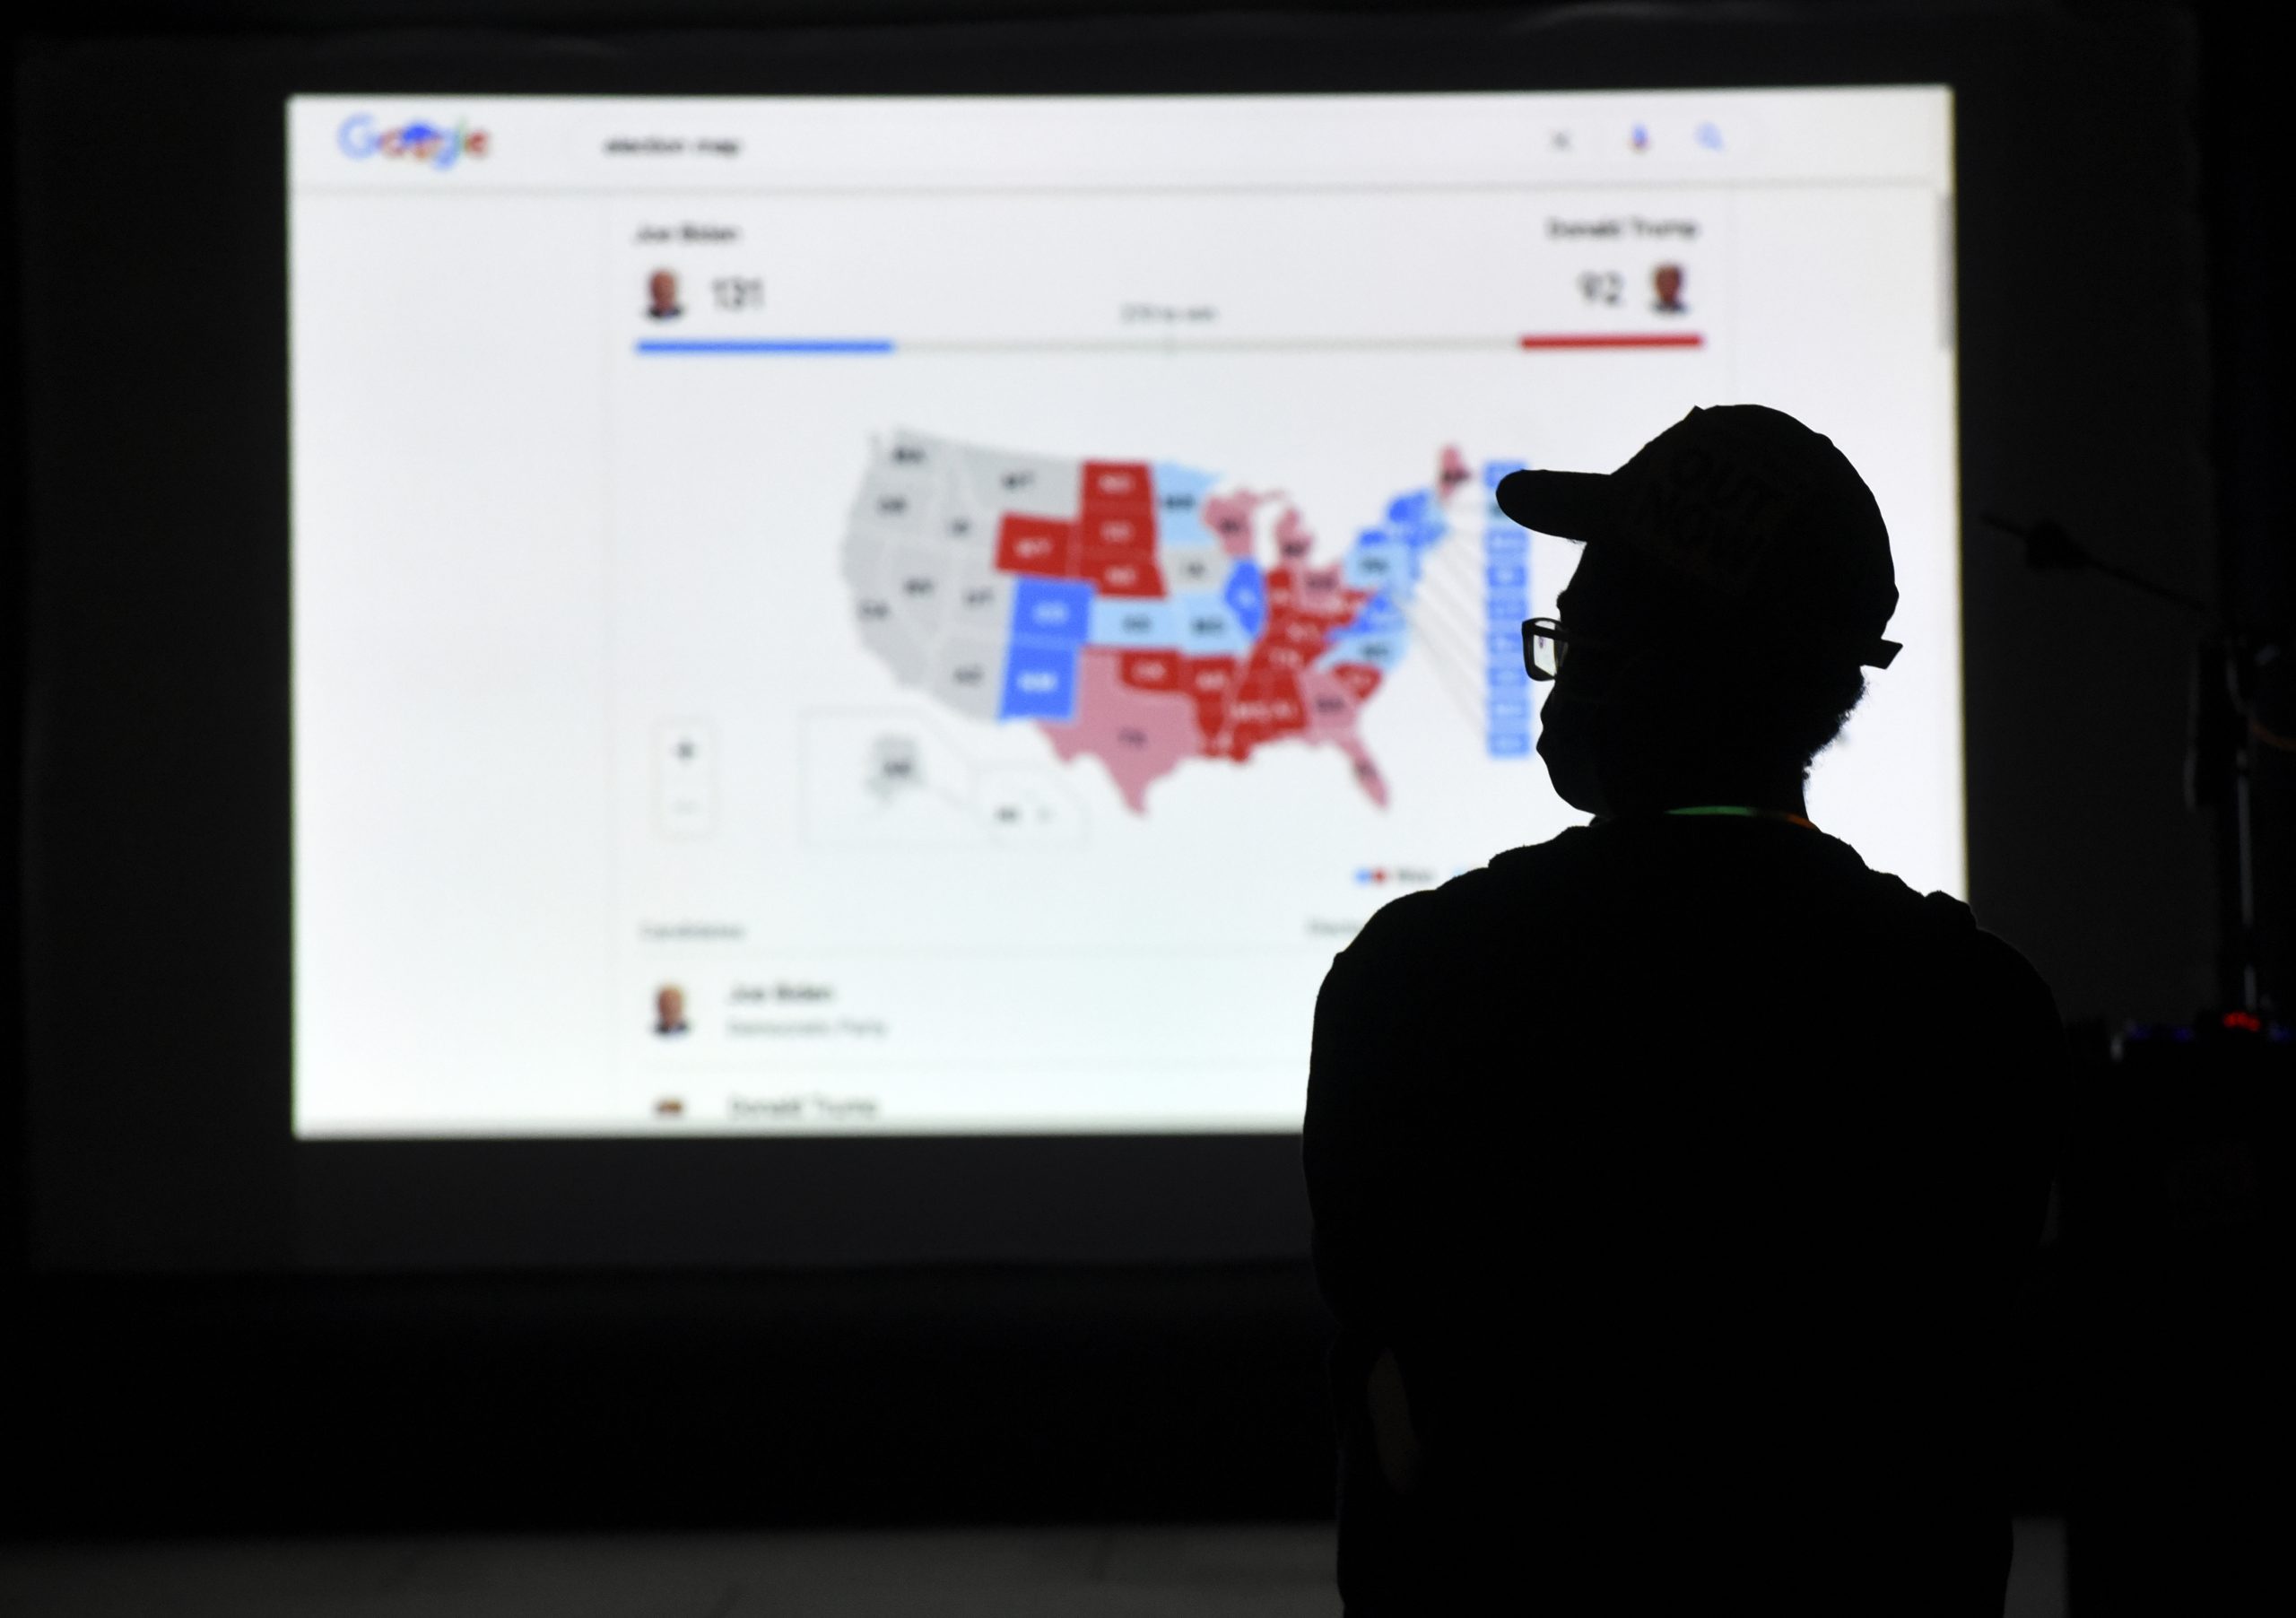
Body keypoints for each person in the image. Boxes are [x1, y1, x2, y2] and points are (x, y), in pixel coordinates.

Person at [1304, 405, 2066, 1614]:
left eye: (1577, 633)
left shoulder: (1420, 982)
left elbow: (1398, 1415)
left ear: (1629, 662)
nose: (1561, 669)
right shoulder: (1971, 1006)